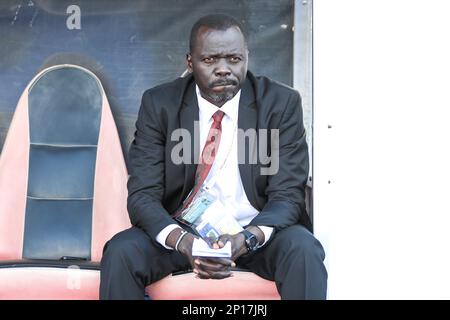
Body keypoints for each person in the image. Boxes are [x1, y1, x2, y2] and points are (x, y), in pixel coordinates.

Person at [100, 13, 327, 300]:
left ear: (247, 58)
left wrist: (246, 239)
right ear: (190, 62)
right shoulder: (160, 104)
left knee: (304, 250)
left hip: (256, 232)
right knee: (122, 252)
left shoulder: (280, 104)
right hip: (184, 233)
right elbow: (142, 195)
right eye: (210, 60)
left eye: (234, 59)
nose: (223, 69)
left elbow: (288, 194)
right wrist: (184, 242)